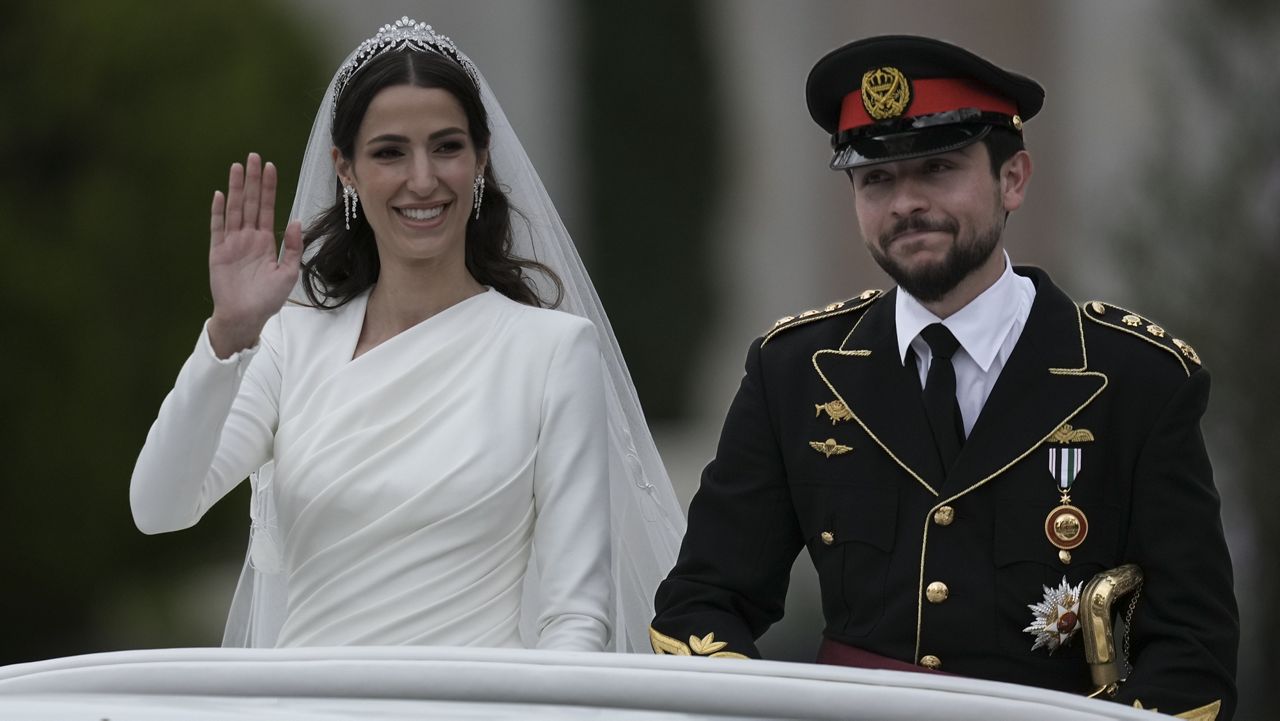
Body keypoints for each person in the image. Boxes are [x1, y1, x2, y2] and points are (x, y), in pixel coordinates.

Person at [649, 34, 1238, 720]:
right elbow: (701, 603)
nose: (904, 203)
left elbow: (1194, 653)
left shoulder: (1136, 379)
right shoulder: (796, 372)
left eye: (936, 169)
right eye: (876, 179)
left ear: (1013, 178)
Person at [130, 17, 685, 652]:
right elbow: (160, 507)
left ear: (480, 160)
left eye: (446, 147)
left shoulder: (554, 351)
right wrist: (228, 335)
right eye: (390, 152)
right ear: (346, 169)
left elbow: (576, 617)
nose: (422, 179)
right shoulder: (290, 342)